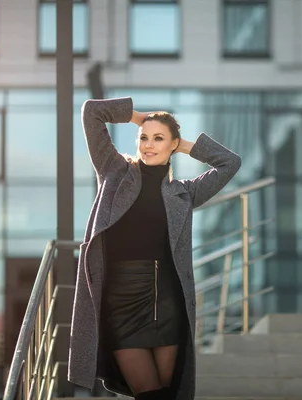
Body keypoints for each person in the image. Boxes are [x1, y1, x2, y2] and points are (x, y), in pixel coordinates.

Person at [68, 97, 241, 400]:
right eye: (143, 138)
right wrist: (138, 117)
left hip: (167, 301)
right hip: (120, 301)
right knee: (147, 392)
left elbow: (230, 162)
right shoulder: (114, 171)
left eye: (158, 139)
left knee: (166, 392)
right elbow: (91, 112)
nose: (148, 144)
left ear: (172, 144)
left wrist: (184, 144)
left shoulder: (184, 193)